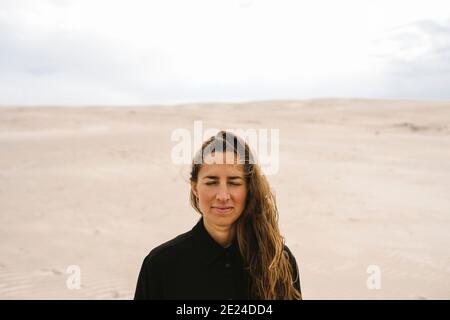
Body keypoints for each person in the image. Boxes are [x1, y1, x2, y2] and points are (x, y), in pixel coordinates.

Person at [134, 131, 302, 300]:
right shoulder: (160, 265)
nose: (223, 196)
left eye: (234, 182)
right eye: (211, 182)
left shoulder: (279, 261)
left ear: (249, 188)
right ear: (194, 187)